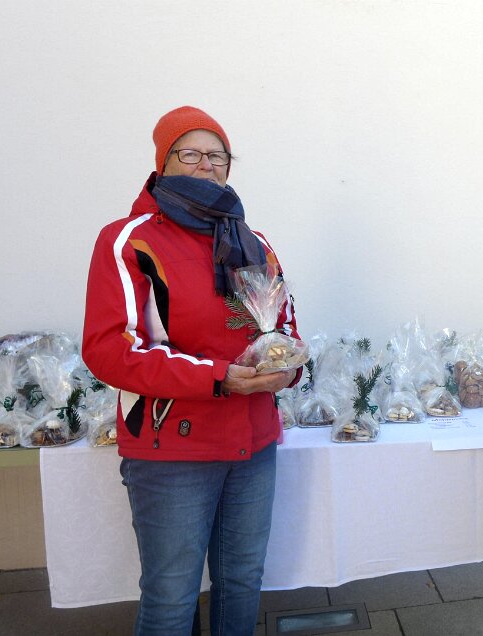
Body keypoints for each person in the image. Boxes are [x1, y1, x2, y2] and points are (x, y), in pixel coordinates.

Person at [82, 106, 301, 636]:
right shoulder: (130, 240)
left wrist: (287, 366)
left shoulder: (255, 242)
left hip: (254, 443)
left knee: (242, 582)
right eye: (191, 153)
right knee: (171, 596)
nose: (206, 164)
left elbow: (286, 326)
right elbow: (108, 350)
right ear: (164, 161)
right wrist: (217, 376)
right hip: (172, 449)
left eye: (218, 155)